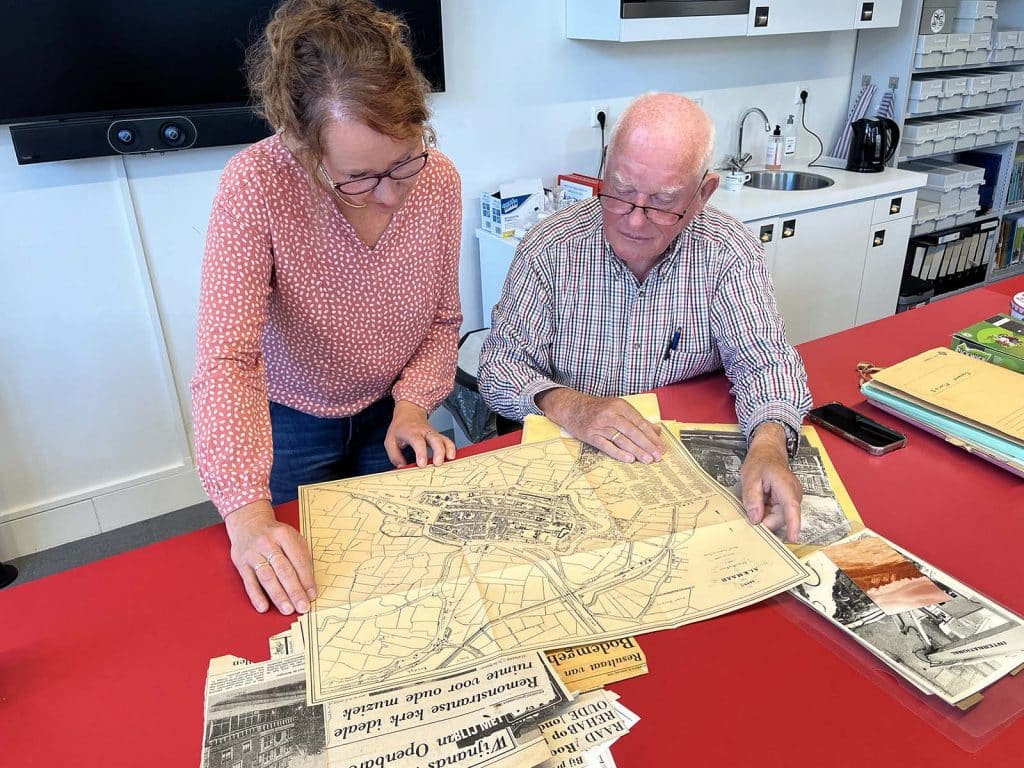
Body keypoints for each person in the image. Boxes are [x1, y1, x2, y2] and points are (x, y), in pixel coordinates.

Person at [191, 0, 462, 616]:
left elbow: (444, 320)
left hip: (393, 410)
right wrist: (248, 513)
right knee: (295, 592)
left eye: (404, 164)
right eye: (360, 178)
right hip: (289, 422)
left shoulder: (439, 180)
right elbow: (227, 357)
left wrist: (414, 407)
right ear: (300, 145)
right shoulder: (256, 183)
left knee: (402, 583)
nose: (391, 196)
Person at [478, 93, 811, 542]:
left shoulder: (728, 252)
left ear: (702, 194)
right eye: (620, 193)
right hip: (566, 464)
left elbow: (766, 363)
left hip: (674, 470)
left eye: (661, 203)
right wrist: (571, 406)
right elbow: (499, 366)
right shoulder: (550, 247)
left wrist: (770, 445)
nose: (634, 220)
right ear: (604, 169)